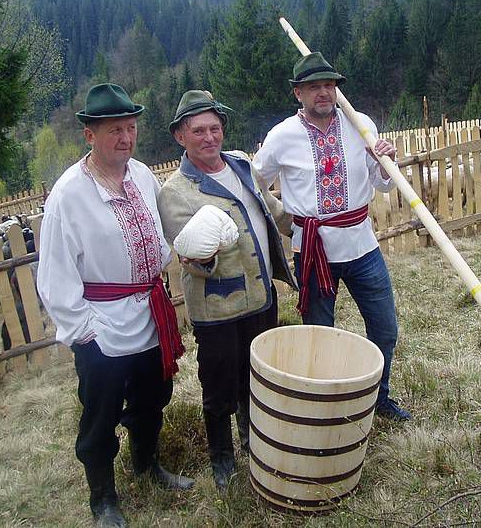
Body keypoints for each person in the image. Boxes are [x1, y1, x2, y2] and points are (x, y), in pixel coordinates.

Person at [37, 83, 194, 528]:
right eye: (114, 131)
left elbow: (163, 233)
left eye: (131, 128)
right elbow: (55, 276)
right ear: (90, 135)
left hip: (149, 314)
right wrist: (85, 331)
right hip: (102, 324)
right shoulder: (68, 195)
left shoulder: (142, 175)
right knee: (100, 413)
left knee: (154, 397)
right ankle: (103, 498)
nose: (125, 138)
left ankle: (147, 464)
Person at [252, 52, 411, 421]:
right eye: (313, 87)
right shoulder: (281, 136)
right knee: (319, 336)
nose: (323, 92)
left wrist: (386, 161)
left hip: (362, 246)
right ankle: (325, 409)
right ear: (298, 93)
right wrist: (285, 220)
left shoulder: (360, 123)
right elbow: (255, 183)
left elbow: (383, 184)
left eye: (329, 85)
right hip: (312, 251)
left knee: (385, 329)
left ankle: (378, 398)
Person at [157, 90, 297, 490]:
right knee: (219, 385)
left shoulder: (241, 165)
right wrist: (202, 255)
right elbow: (190, 255)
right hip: (217, 308)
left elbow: (270, 209)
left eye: (214, 128)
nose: (209, 137)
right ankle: (222, 457)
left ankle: (254, 439)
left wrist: (305, 227)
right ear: (180, 136)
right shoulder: (175, 192)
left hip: (261, 296)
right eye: (198, 131)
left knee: (258, 375)